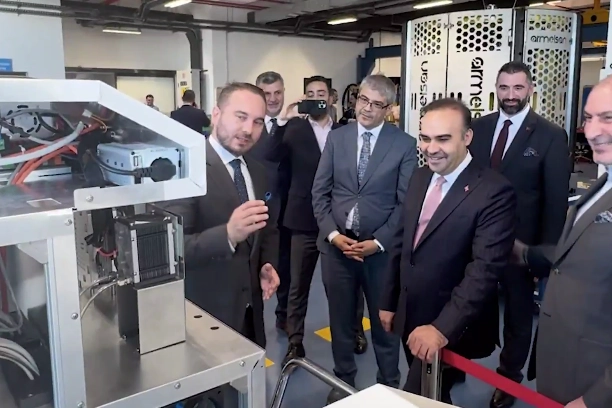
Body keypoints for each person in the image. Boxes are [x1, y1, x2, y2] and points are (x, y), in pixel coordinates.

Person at [379, 98, 517, 405]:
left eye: (442, 139)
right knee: (433, 396)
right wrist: (389, 300)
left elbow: (483, 271)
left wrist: (441, 328)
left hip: (452, 323)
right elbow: (401, 242)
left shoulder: (494, 191)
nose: (431, 148)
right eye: (425, 138)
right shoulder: (420, 177)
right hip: (411, 314)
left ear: (467, 137)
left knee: (416, 396)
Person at [469, 61, 570, 408]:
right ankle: (454, 365)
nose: (510, 95)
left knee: (517, 315)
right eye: (504, 88)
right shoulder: (477, 128)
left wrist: (543, 255)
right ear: (495, 89)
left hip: (520, 247)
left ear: (530, 90)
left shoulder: (550, 135)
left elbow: (555, 201)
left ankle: (508, 379)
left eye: (518, 88)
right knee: (466, 303)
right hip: (476, 240)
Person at [311, 74, 416, 404]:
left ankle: (389, 385)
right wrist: (333, 235)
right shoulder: (337, 138)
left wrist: (379, 242)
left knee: (385, 323)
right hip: (337, 249)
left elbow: (405, 203)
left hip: (380, 253)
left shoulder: (404, 144)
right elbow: (319, 192)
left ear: (389, 108)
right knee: (341, 321)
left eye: (376, 104)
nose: (367, 108)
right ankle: (343, 381)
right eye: (363, 100)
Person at [162, 82, 280, 349]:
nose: (248, 129)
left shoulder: (258, 171)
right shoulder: (185, 170)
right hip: (205, 317)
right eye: (240, 117)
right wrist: (227, 235)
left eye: (258, 122)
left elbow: (267, 228)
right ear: (216, 114)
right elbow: (172, 247)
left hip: (250, 312)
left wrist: (266, 263)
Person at [518, 76, 612, 408]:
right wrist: (523, 253)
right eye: (588, 118)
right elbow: (581, 257)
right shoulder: (603, 183)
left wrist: (596, 399)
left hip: (592, 384)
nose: (593, 131)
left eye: (608, 118)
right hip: (565, 365)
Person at [266, 76, 366, 365]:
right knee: (298, 284)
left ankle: (355, 331)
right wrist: (283, 120)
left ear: (331, 98)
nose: (316, 98)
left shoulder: (344, 132)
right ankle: (295, 342)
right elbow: (270, 156)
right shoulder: (293, 129)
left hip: (340, 221)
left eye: (321, 93)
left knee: (348, 284)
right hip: (303, 220)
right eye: (310, 94)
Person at [250, 71, 292, 333]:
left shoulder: (294, 125)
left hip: (287, 209)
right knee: (257, 263)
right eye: (267, 94)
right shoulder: (250, 127)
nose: (273, 99)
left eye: (278, 92)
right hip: (256, 208)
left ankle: (284, 315)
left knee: (286, 266)